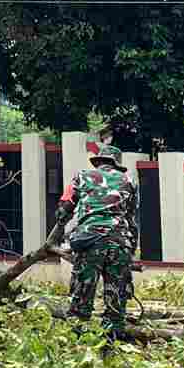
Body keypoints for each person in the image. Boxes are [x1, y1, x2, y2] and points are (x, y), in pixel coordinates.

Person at [56, 143, 139, 339]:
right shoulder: (129, 180)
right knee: (116, 301)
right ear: (116, 164)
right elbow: (132, 219)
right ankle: (111, 346)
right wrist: (131, 249)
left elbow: (64, 207)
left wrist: (61, 226)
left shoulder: (82, 176)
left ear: (99, 162)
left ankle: (76, 344)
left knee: (81, 298)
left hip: (89, 241)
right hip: (120, 243)